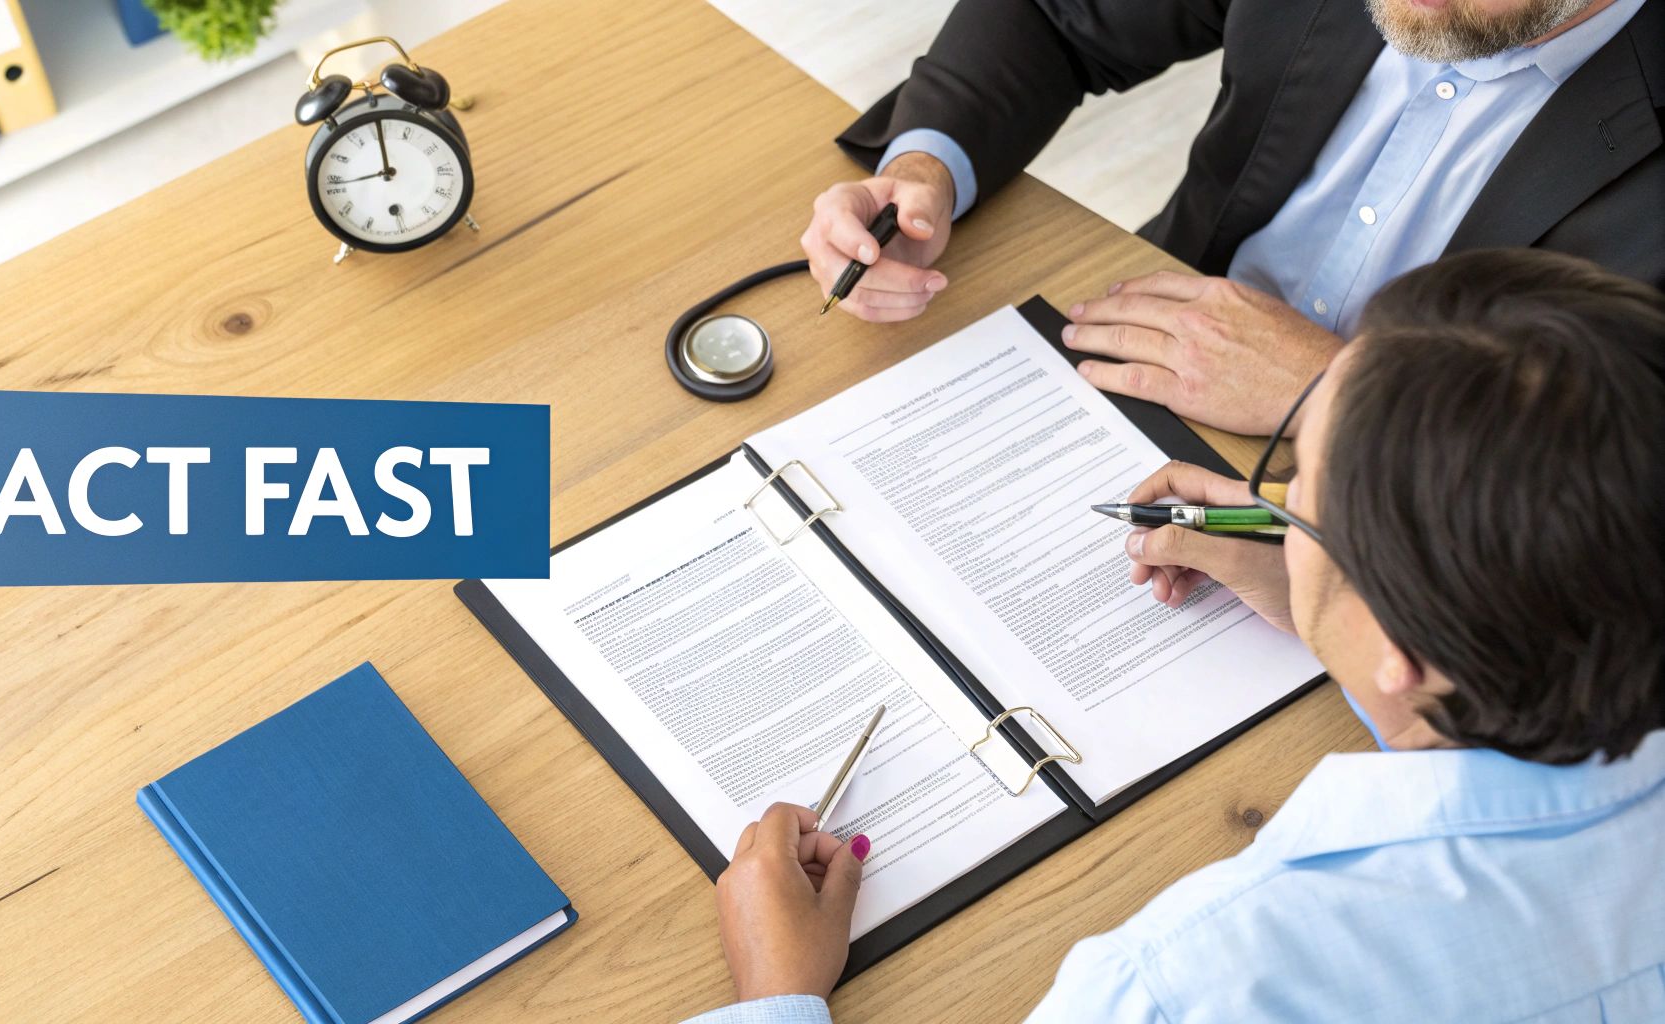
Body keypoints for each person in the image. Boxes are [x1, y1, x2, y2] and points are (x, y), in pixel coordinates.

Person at [684, 249, 1665, 1023]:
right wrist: (1340, 612)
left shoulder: (1187, 985)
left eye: (1301, 499)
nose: (1266, 503)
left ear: (1403, 648)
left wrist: (774, 995)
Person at [798, 0, 1665, 435]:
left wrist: (1344, 394)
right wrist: (925, 169)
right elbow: (1056, 15)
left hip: (1402, 515)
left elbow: (1628, 489)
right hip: (1127, 366)